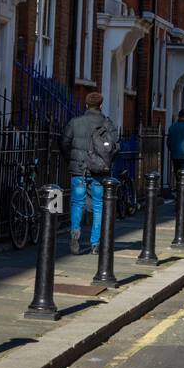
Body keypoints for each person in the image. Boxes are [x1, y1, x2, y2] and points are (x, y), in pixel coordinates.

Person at [61, 92, 120, 255]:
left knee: (77, 203)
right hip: (99, 172)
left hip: (78, 169)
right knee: (98, 205)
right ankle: (95, 243)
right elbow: (115, 146)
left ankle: (75, 236)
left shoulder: (75, 122)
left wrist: (71, 160)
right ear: (100, 106)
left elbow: (64, 143)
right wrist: (106, 163)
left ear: (86, 105)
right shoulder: (107, 123)